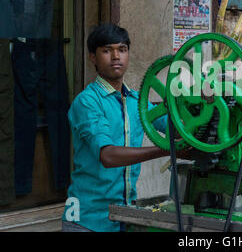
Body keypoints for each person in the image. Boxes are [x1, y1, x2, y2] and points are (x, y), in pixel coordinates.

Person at [61, 24, 188, 232]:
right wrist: (168, 150)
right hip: (87, 220)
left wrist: (199, 113)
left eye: (122, 49)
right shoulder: (87, 102)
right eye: (106, 50)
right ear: (92, 57)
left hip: (124, 218)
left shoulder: (138, 102)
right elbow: (108, 156)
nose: (115, 56)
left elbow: (177, 130)